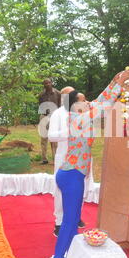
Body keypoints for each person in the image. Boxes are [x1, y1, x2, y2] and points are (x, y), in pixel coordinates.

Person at [51, 68, 129, 258]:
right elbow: (104, 105)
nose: (88, 102)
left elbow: (99, 100)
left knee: (74, 216)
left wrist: (113, 83)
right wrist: (121, 84)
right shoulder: (80, 119)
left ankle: (68, 253)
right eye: (83, 100)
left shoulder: (81, 113)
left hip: (72, 174)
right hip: (71, 176)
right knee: (70, 220)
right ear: (75, 105)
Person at [48, 87, 91, 237]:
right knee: (61, 192)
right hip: (65, 159)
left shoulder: (83, 111)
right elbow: (51, 136)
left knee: (81, 189)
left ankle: (75, 216)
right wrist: (70, 132)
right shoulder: (58, 114)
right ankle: (59, 222)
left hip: (82, 158)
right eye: (65, 95)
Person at [38, 78, 61, 164]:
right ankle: (44, 159)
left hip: (54, 117)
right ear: (43, 85)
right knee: (43, 138)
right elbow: (41, 106)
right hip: (44, 116)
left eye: (49, 82)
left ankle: (55, 159)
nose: (47, 84)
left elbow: (60, 106)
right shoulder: (41, 95)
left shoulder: (58, 93)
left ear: (52, 83)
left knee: (54, 138)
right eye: (45, 83)